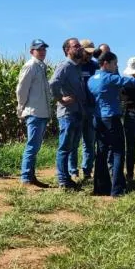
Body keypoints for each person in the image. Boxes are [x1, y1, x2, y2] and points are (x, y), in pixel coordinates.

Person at [87, 51, 135, 197]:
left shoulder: (91, 80)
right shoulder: (110, 78)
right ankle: (118, 189)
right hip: (111, 118)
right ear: (106, 63)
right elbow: (133, 82)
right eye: (115, 63)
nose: (116, 67)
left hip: (98, 119)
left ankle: (101, 188)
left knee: (101, 153)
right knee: (118, 152)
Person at [49, 38, 87, 190]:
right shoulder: (65, 66)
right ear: (67, 50)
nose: (79, 48)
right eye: (76, 46)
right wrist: (61, 99)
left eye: (79, 46)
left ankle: (68, 178)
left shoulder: (77, 67)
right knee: (65, 147)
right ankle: (63, 180)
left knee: (72, 146)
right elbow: (53, 83)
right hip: (67, 113)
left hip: (77, 112)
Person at [15, 39, 52, 188]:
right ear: (32, 51)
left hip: (41, 113)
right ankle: (26, 178)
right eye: (39, 49)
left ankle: (31, 176)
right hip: (34, 112)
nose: (42, 52)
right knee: (32, 145)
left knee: (35, 146)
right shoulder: (30, 66)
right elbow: (21, 89)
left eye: (44, 49)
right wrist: (21, 108)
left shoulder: (41, 67)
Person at [68, 38, 99, 182]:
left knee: (89, 141)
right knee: (74, 142)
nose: (90, 55)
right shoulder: (75, 66)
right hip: (77, 108)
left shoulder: (95, 66)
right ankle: (73, 171)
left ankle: (87, 171)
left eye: (92, 53)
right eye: (87, 53)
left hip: (92, 108)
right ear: (81, 51)